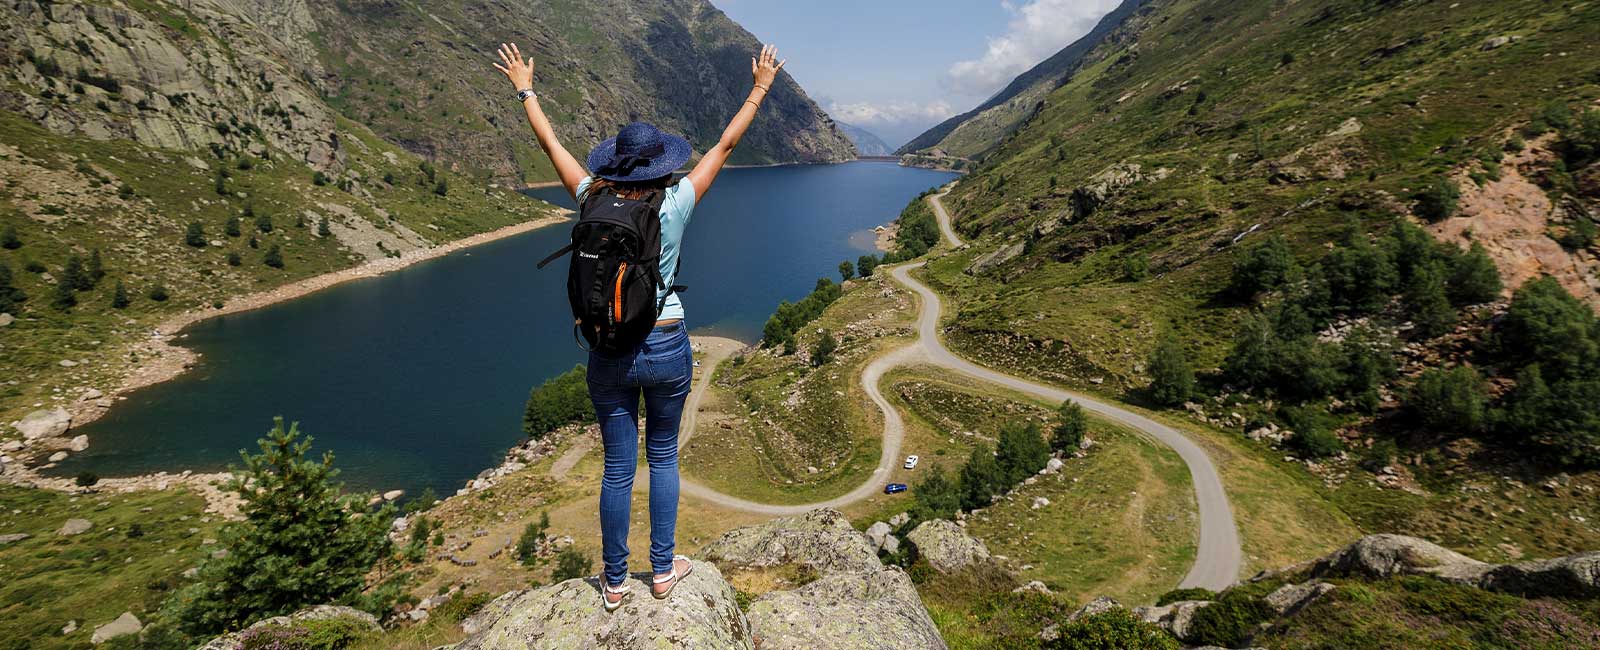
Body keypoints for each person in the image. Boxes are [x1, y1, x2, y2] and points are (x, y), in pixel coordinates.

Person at [493, 41, 785, 611]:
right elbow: (726, 143)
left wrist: (525, 89)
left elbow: (550, 142)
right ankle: (663, 571)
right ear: (662, 164)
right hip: (667, 339)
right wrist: (759, 88)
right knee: (666, 455)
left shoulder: (590, 196)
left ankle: (615, 580)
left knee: (618, 467)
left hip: (608, 346)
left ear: (613, 162)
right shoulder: (676, 200)